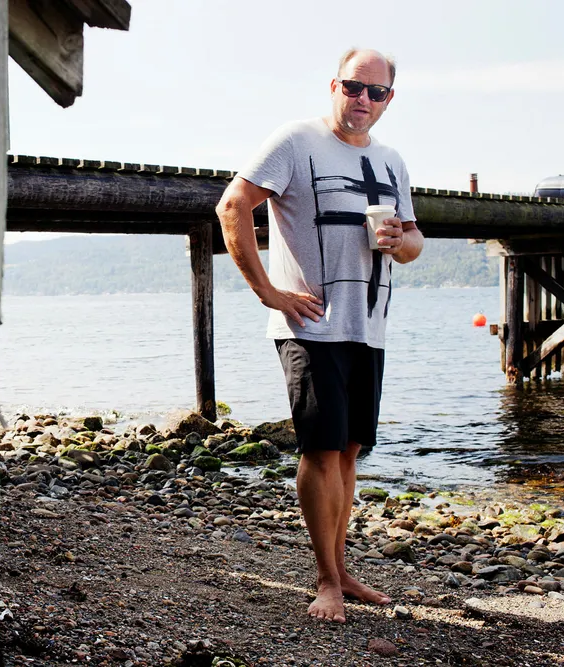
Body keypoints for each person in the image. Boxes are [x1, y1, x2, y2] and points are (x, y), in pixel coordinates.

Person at [215, 48, 424, 623]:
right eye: (353, 87)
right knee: (322, 448)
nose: (362, 99)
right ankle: (327, 581)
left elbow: (413, 242)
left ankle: (342, 568)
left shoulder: (391, 161)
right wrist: (267, 291)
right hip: (310, 325)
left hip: (369, 327)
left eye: (375, 92)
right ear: (334, 86)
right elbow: (233, 206)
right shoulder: (296, 140)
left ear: (388, 99)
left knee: (350, 450)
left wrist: (401, 242)